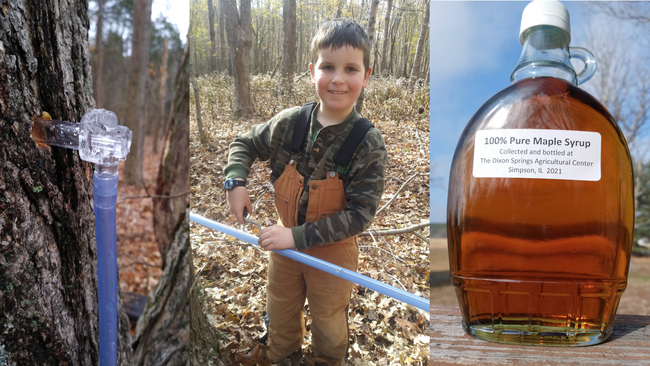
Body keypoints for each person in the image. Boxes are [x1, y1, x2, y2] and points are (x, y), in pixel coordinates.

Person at [224, 18, 387, 365]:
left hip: (332, 252)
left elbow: (360, 215)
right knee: (280, 307)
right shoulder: (290, 123)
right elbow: (244, 143)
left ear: (367, 76)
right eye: (328, 67)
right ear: (312, 70)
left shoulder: (367, 143)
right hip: (284, 246)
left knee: (329, 320)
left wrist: (295, 238)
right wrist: (235, 182)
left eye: (351, 69)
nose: (339, 79)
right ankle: (281, 356)